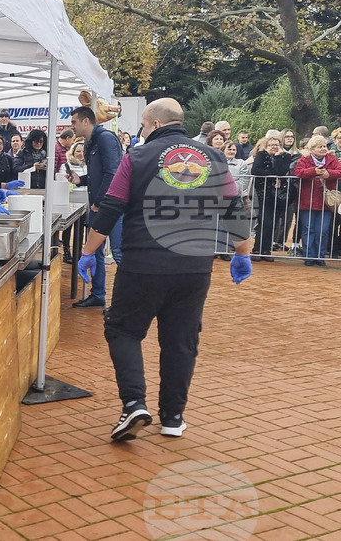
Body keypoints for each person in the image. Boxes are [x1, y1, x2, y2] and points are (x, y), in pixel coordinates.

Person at [75, 98, 252, 441]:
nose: (141, 130)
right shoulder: (214, 157)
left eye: (142, 124)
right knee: (181, 340)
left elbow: (111, 207)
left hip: (144, 262)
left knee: (123, 330)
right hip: (194, 265)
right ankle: (173, 416)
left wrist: (87, 252)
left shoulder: (137, 157)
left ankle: (133, 404)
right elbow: (233, 208)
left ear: (154, 124)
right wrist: (241, 252)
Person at [69, 105, 124, 308]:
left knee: (118, 253)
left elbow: (113, 173)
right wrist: (80, 180)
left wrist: (99, 203)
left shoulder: (105, 139)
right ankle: (98, 294)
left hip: (110, 207)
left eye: (74, 122)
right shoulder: (93, 141)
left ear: (86, 121)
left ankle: (124, 303)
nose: (71, 126)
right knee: (96, 251)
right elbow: (99, 175)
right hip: (100, 205)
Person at [293, 135, 341, 266]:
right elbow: (298, 172)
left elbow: (340, 171)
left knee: (323, 229)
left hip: (325, 202)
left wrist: (329, 174)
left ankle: (320, 256)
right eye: (319, 147)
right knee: (308, 228)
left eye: (324, 146)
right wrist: (313, 171)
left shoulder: (332, 159)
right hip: (307, 200)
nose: (323, 149)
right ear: (312, 148)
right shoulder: (305, 159)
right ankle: (309, 256)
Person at [250, 135, 293, 261]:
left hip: (278, 195)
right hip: (263, 192)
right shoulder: (261, 155)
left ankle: (266, 250)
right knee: (264, 221)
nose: (274, 147)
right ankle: (257, 249)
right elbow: (256, 170)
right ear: (266, 146)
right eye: (271, 145)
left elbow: (282, 171)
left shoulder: (285, 156)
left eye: (276, 144)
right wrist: (273, 176)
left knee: (272, 223)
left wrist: (279, 157)